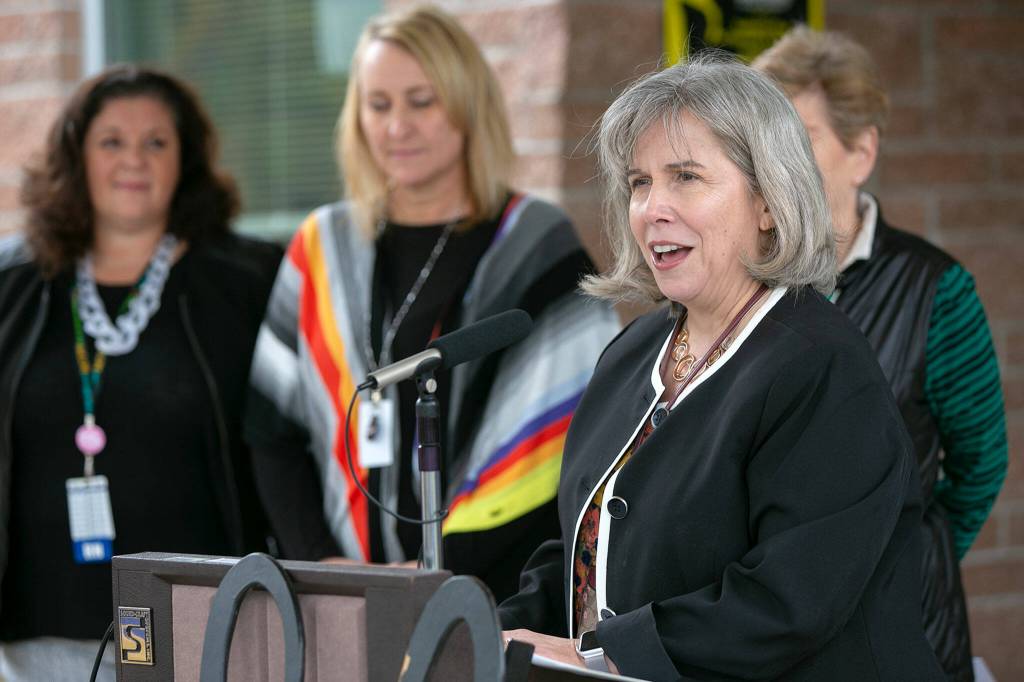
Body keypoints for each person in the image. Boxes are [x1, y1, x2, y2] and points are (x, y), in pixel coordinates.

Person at [498, 55, 946, 681]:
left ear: (768, 201)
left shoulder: (820, 366)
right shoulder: (634, 350)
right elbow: (588, 545)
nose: (653, 207)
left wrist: (603, 654)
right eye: (639, 182)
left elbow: (787, 601)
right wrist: (494, 628)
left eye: (685, 177)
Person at [245, 4, 619, 603]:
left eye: (422, 101)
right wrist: (327, 563)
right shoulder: (321, 246)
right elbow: (271, 428)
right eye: (379, 104)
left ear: (468, 105)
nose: (397, 127)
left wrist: (432, 577)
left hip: (493, 598)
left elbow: (567, 446)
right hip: (340, 598)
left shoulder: (537, 246)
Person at [0, 65, 281, 680]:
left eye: (157, 142)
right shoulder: (13, 288)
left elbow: (284, 444)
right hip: (32, 637)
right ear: (77, 158)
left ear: (187, 161)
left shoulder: (248, 284)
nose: (135, 159)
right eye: (112, 141)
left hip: (202, 629)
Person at [754, 28, 1007, 681]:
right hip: (768, 634)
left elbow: (980, 466)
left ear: (860, 152)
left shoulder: (936, 290)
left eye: (799, 137)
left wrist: (909, 555)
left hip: (901, 637)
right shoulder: (740, 284)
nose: (774, 160)